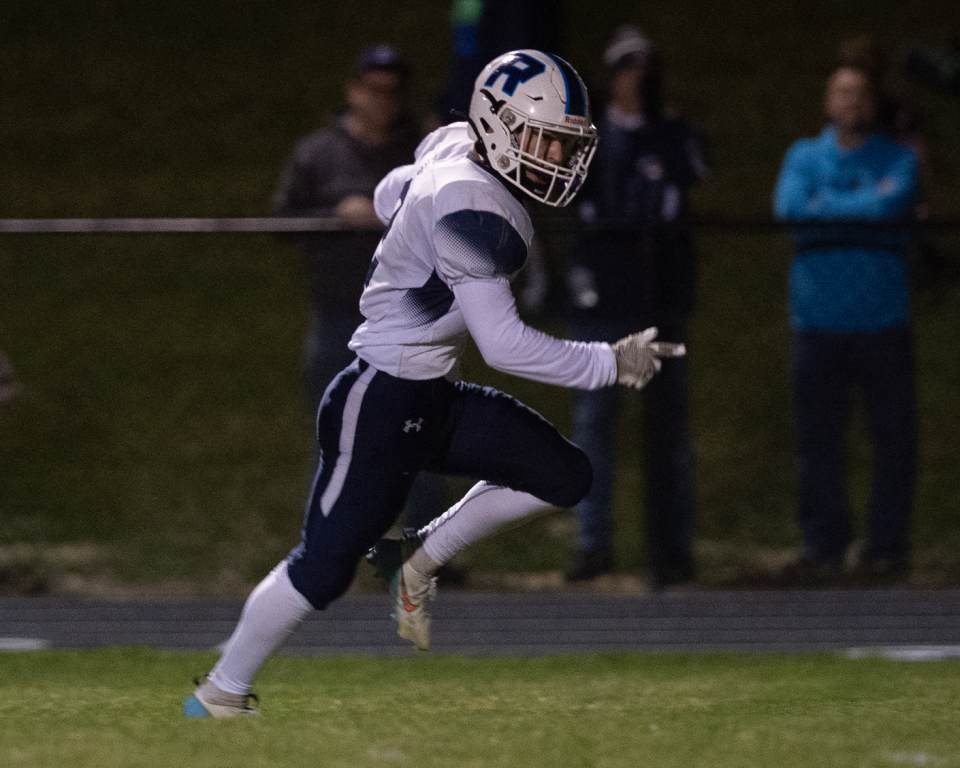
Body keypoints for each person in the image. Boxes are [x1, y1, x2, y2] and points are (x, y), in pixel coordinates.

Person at [184, 49, 684, 718]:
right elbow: (504, 345)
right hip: (378, 400)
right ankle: (220, 692)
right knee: (323, 568)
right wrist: (609, 362)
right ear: (498, 125)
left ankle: (418, 554)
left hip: (429, 396)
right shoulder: (472, 204)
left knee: (564, 474)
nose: (559, 159)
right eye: (545, 139)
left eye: (566, 145)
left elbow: (392, 191)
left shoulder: (453, 143)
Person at [270, 44, 446, 532]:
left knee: (419, 428)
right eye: (375, 88)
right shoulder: (318, 152)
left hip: (409, 318)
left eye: (395, 91)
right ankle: (329, 543)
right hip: (338, 316)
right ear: (353, 90)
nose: (385, 99)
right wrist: (334, 216)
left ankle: (429, 545)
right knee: (336, 433)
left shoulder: (425, 148)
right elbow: (280, 221)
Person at [563, 27, 707, 589]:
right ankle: (593, 543)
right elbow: (582, 202)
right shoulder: (589, 139)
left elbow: (691, 171)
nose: (636, 78)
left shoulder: (670, 132)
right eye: (626, 67)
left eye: (643, 67)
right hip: (604, 303)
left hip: (659, 300)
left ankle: (672, 545)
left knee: (667, 429)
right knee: (594, 425)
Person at [773, 63, 920, 586]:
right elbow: (790, 210)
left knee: (894, 439)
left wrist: (826, 209)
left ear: (872, 101)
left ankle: (885, 546)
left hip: (882, 319)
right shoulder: (802, 155)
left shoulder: (899, 158)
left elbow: (894, 202)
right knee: (817, 443)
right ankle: (825, 546)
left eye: (859, 92)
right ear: (827, 100)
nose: (850, 101)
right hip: (817, 322)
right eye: (840, 91)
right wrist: (864, 206)